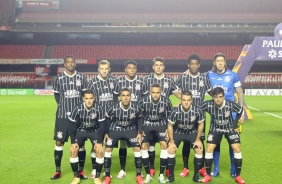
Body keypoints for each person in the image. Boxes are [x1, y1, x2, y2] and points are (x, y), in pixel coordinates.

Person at [206, 53, 245, 178]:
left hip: (232, 114)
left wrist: (242, 110)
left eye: (222, 60)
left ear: (225, 62)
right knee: (215, 142)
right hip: (216, 114)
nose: (220, 63)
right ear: (214, 63)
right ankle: (216, 169)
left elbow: (239, 92)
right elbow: (196, 78)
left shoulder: (233, 75)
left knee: (233, 142)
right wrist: (187, 72)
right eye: (218, 61)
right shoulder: (209, 74)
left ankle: (234, 169)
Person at [51, 55, 88, 180]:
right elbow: (56, 95)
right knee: (59, 141)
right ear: (64, 64)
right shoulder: (59, 78)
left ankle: (81, 171)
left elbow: (85, 95)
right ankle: (57, 171)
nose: (71, 64)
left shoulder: (81, 77)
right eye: (68, 62)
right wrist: (63, 107)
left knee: (80, 144)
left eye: (73, 62)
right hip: (62, 116)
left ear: (75, 63)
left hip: (78, 116)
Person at [143, 57, 181, 177]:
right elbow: (142, 98)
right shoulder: (147, 79)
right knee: (151, 144)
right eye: (156, 65)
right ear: (153, 67)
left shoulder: (169, 80)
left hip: (164, 119)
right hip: (149, 119)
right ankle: (152, 167)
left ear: (163, 67)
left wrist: (182, 101)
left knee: (166, 143)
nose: (158, 67)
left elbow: (178, 93)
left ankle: (168, 168)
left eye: (160, 65)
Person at [176, 54, 212, 177]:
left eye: (196, 64)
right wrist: (181, 100)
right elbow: (175, 90)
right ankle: (186, 167)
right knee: (186, 142)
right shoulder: (183, 78)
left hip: (200, 116)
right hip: (185, 116)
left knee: (200, 141)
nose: (194, 65)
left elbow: (212, 93)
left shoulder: (204, 78)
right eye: (192, 64)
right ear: (188, 65)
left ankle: (200, 167)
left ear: (199, 65)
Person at [201, 87, 245, 184]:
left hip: (229, 128)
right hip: (215, 128)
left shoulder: (230, 104)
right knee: (209, 148)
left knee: (237, 148)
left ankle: (238, 176)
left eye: (220, 97)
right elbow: (197, 108)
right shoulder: (208, 104)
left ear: (223, 96)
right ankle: (208, 175)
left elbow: (240, 110)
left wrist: (234, 125)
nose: (218, 99)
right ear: (213, 97)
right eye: (216, 97)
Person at [103, 88, 144, 184]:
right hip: (115, 129)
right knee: (108, 149)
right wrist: (106, 133)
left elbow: (140, 118)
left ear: (131, 97)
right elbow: (108, 119)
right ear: (120, 97)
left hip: (130, 129)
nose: (125, 98)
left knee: (137, 149)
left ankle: (138, 175)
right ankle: (107, 176)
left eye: (127, 95)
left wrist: (140, 132)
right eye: (123, 95)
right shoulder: (113, 107)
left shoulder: (136, 107)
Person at [113, 60, 145, 179]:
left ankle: (139, 171)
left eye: (133, 68)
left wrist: (140, 111)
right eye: (129, 68)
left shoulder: (141, 81)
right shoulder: (119, 81)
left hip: (137, 117)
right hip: (123, 118)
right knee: (123, 143)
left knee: (139, 143)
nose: (131, 70)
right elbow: (115, 97)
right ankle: (122, 169)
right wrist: (119, 111)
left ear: (136, 69)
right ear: (125, 69)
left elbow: (145, 97)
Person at [87, 60, 117, 178]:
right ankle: (95, 168)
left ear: (109, 69)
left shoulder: (113, 81)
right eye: (102, 69)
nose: (104, 71)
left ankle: (106, 169)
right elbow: (89, 101)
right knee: (96, 144)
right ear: (98, 69)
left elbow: (116, 98)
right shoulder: (93, 83)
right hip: (97, 119)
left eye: (106, 69)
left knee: (108, 143)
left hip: (110, 118)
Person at [68, 89, 105, 184]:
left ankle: (97, 177)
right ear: (83, 99)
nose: (89, 101)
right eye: (86, 98)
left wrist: (100, 142)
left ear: (94, 98)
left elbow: (102, 126)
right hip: (81, 130)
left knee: (99, 150)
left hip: (95, 131)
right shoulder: (77, 108)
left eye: (91, 98)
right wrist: (72, 142)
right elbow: (71, 125)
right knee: (73, 150)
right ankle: (76, 176)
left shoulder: (99, 108)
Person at [167, 91, 205, 183]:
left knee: (199, 149)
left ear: (191, 100)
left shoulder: (197, 110)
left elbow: (201, 124)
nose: (186, 102)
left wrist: (198, 140)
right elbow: (170, 126)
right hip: (178, 132)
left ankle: (195, 175)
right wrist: (171, 142)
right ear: (181, 100)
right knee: (171, 149)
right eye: (184, 100)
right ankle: (171, 176)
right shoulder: (175, 111)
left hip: (191, 133)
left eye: (188, 100)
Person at [138, 83, 173, 183]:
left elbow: (170, 116)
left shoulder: (166, 101)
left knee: (164, 145)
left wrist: (167, 127)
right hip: (147, 124)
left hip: (160, 124)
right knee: (144, 146)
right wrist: (140, 130)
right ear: (150, 92)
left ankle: (161, 175)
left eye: (158, 92)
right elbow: (139, 116)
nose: (155, 95)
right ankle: (148, 174)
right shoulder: (143, 101)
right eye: (153, 92)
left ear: (161, 92)